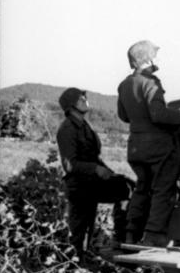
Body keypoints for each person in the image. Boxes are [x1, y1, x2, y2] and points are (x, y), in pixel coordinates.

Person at [118, 40, 180, 247]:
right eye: (156, 55)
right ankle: (154, 234)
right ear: (149, 59)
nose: (158, 59)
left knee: (142, 188)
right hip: (158, 147)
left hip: (135, 146)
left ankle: (131, 232)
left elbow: (123, 115)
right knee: (163, 190)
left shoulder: (125, 84)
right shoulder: (150, 82)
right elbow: (158, 114)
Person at [55, 87, 131, 256]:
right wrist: (95, 169)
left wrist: (110, 172)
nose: (85, 100)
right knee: (80, 232)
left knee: (126, 188)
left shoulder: (85, 126)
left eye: (85, 98)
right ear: (71, 106)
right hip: (79, 185)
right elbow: (69, 165)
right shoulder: (67, 129)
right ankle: (75, 265)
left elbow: (95, 157)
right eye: (81, 99)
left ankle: (121, 239)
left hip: (92, 182)